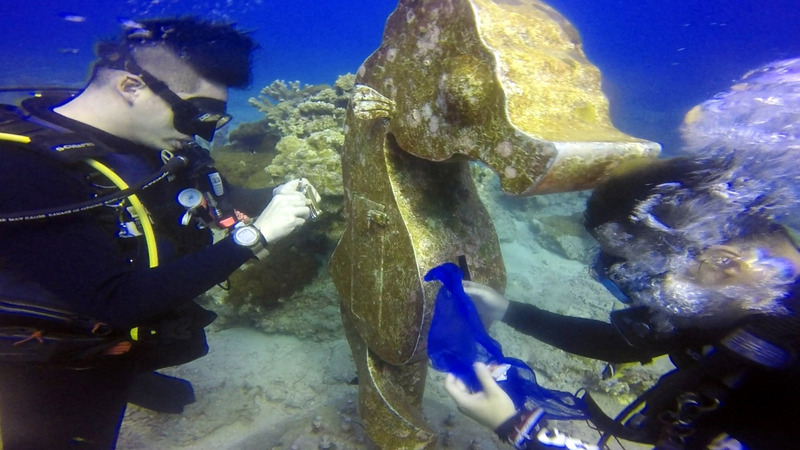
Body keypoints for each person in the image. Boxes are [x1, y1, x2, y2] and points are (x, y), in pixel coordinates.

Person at [443, 58, 800, 449]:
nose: (639, 294)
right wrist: (510, 311)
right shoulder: (733, 305)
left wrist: (519, 429)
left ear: (724, 263)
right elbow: (622, 343)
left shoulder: (784, 395)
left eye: (642, 275)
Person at [0, 18, 316, 448]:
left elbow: (215, 197)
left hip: (125, 340)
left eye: (213, 120)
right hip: (49, 369)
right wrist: (253, 237)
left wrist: (276, 195)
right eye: (195, 114)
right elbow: (116, 300)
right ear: (131, 87)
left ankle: (132, 372)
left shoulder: (157, 142)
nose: (202, 133)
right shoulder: (23, 171)